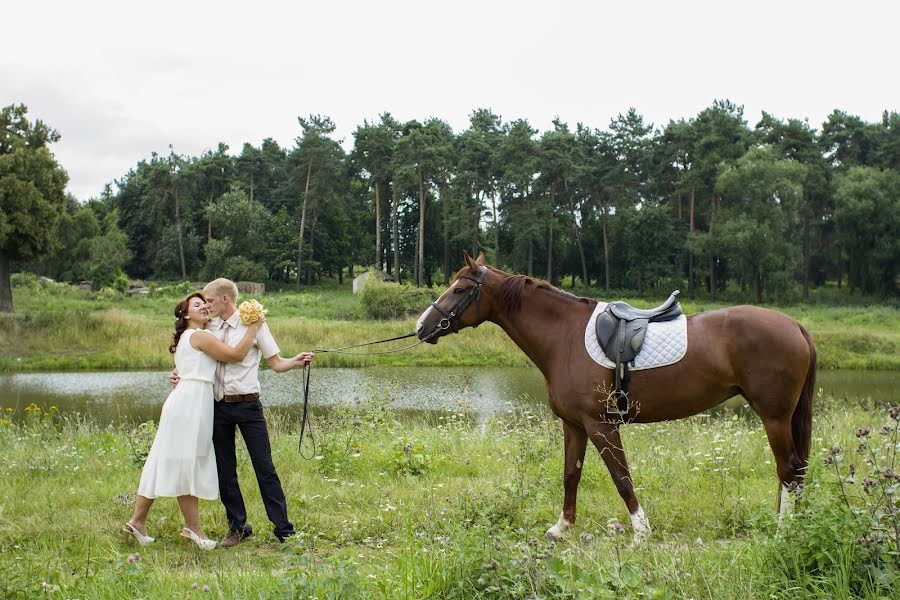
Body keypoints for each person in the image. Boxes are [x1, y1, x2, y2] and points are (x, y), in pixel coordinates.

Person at [170, 278, 313, 547]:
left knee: (265, 467)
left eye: (210, 301)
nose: (208, 306)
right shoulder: (207, 327)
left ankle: (284, 529)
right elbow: (193, 356)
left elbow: (276, 362)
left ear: (225, 299)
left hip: (248, 405)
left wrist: (295, 362)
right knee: (226, 470)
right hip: (217, 406)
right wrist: (178, 374)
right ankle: (237, 527)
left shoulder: (255, 325)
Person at [123, 292, 265, 550]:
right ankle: (193, 529)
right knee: (184, 462)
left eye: (205, 304)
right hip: (190, 403)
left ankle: (138, 522)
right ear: (186, 314)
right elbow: (235, 355)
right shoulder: (198, 336)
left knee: (168, 460)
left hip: (190, 399)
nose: (204, 308)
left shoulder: (192, 336)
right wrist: (254, 327)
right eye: (197, 305)